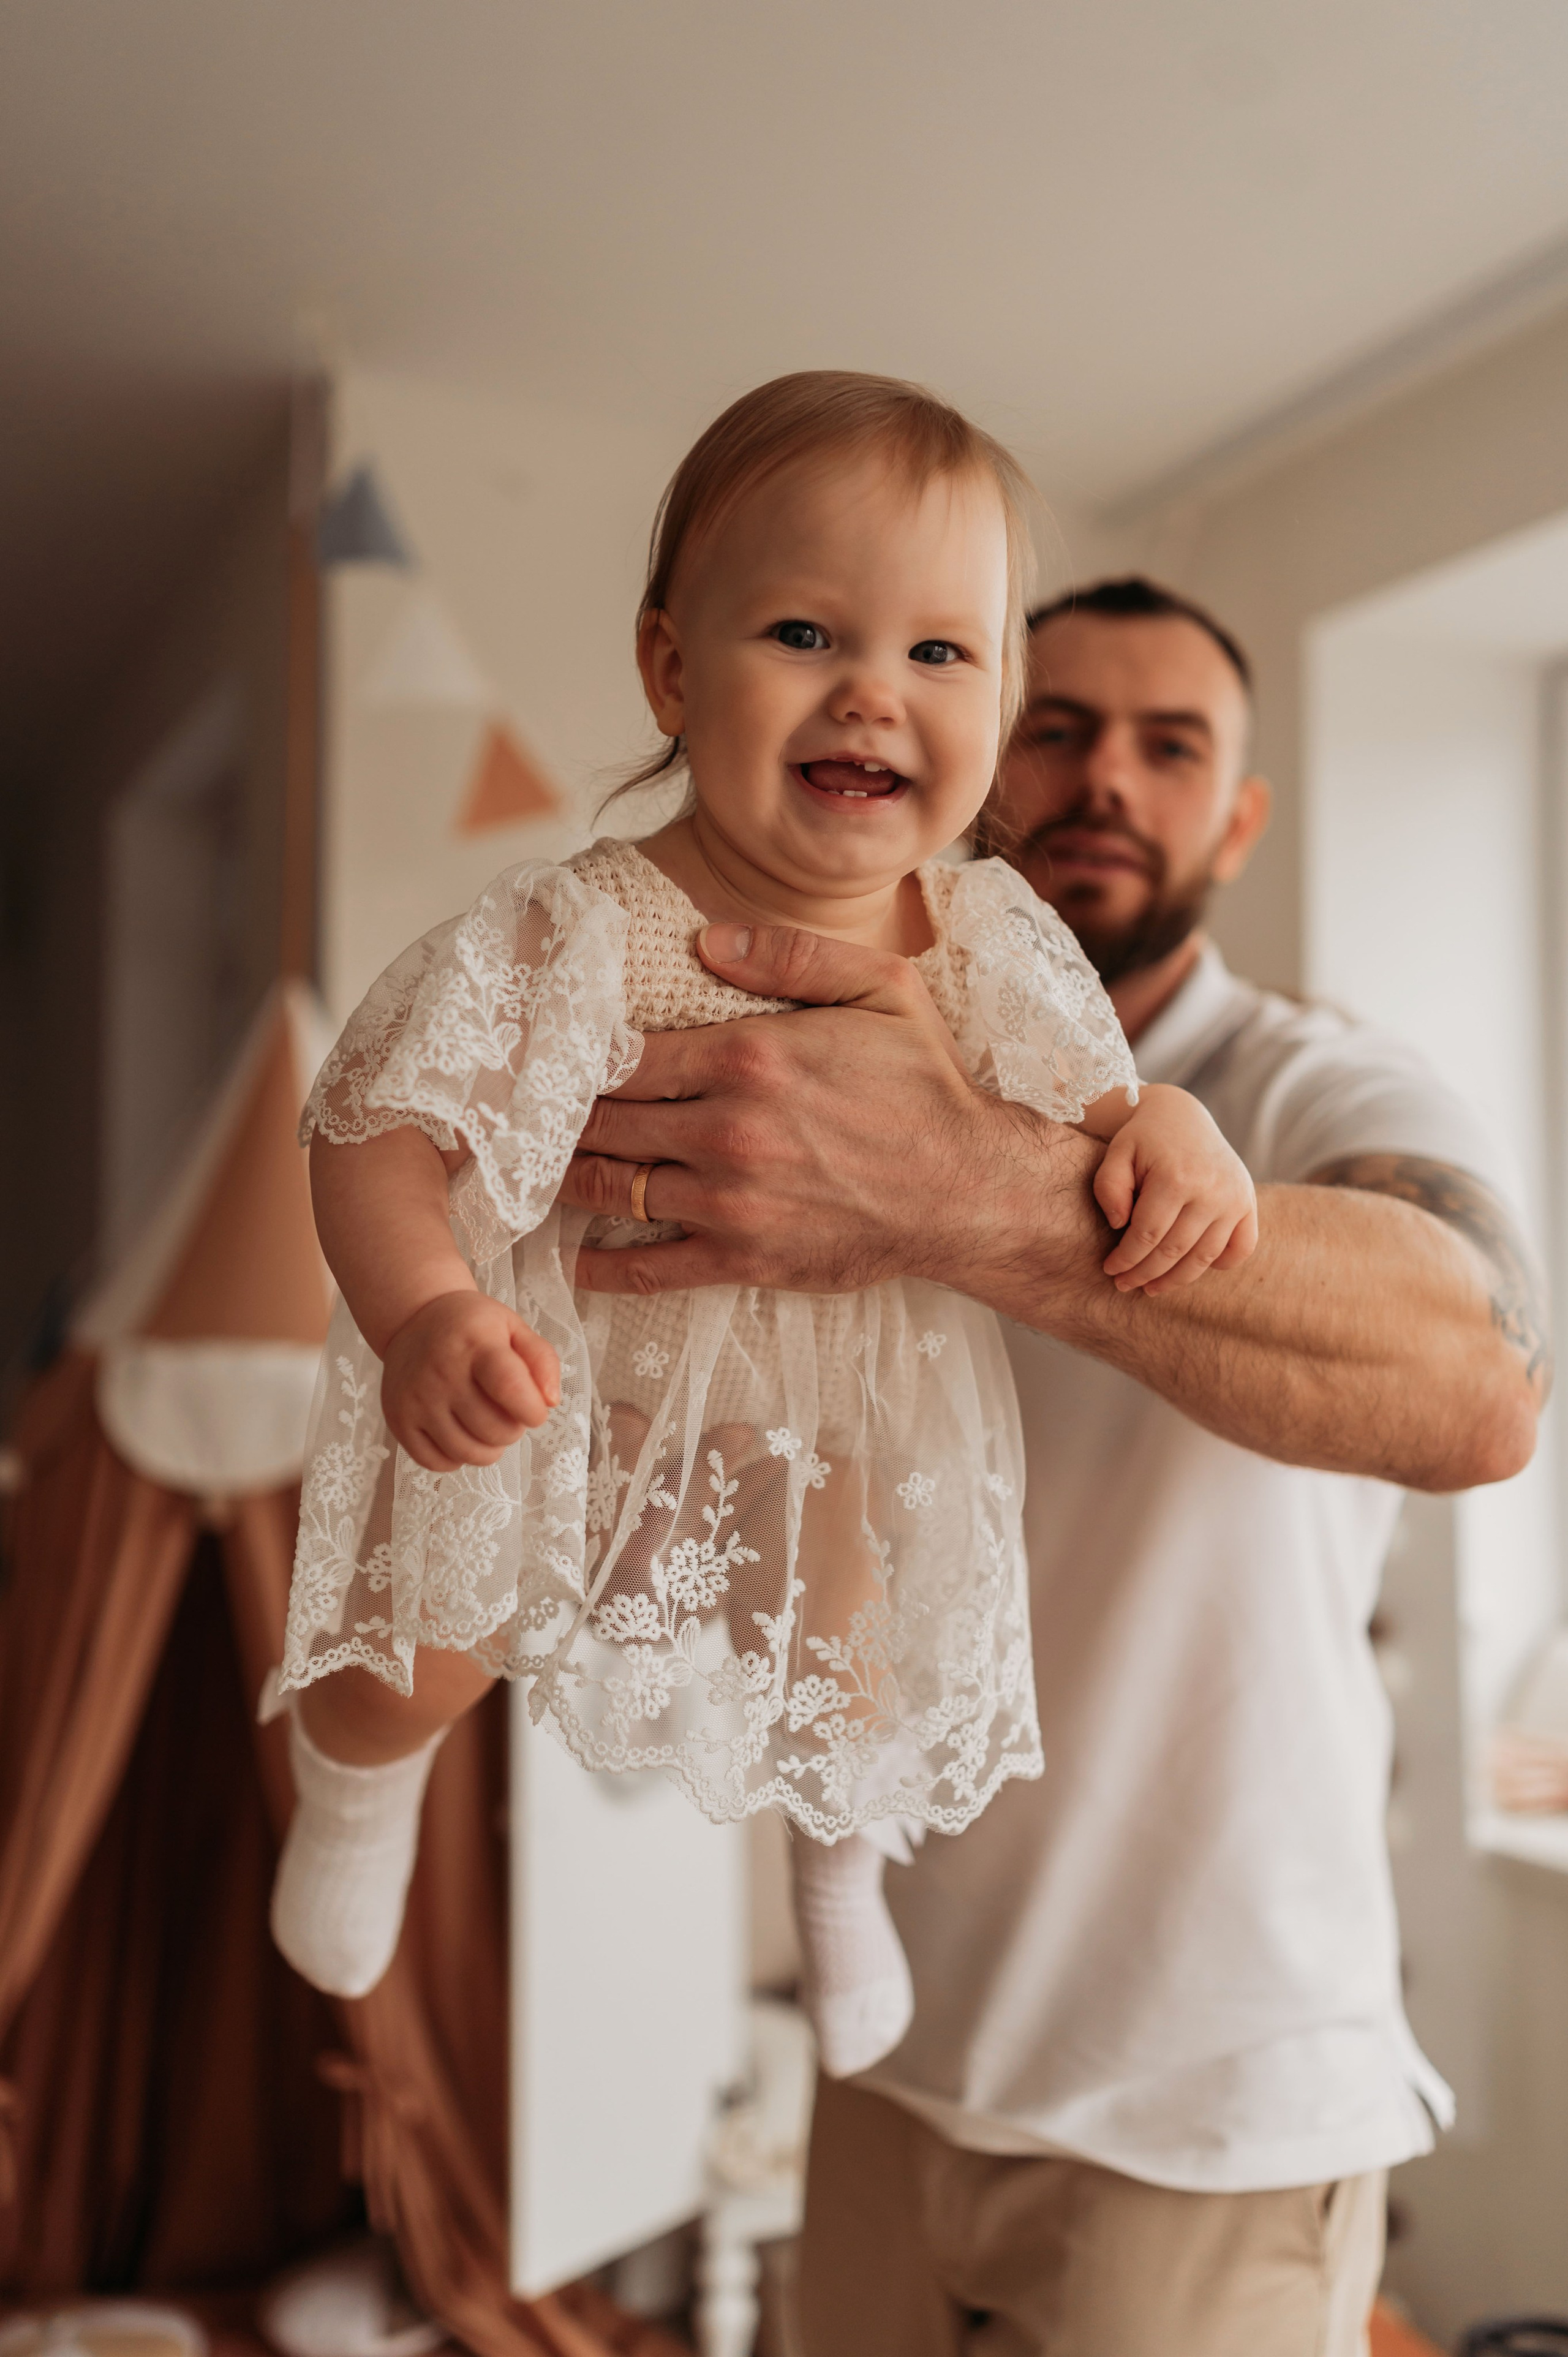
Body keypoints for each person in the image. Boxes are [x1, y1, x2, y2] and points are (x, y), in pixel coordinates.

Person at [560, 578, 1548, 2354]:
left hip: (1209, 2095)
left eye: (1174, 749)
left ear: (1237, 816)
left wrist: (963, 1198)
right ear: (960, 754)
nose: (1111, 779)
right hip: (883, 2043)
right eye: (1060, 724)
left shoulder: (1314, 1083)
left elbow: (1483, 1384)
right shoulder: (811, 1071)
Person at [265, 381, 1256, 2084]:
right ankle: (356, 1785)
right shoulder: (581, 925)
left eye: (945, 653)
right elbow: (374, 1126)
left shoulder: (990, 941)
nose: (876, 688)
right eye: (806, 631)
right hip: (553, 1381)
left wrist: (1180, 1131)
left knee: (853, 1664)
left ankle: (838, 1873)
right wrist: (429, 1310)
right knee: (415, 1644)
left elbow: (1104, 1116)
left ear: (999, 700)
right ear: (671, 671)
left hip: (822, 1413)